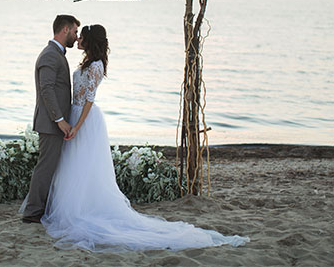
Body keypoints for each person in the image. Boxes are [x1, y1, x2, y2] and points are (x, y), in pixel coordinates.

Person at [39, 24, 250, 251]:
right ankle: (71, 206)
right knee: (72, 164)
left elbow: (90, 99)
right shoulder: (85, 63)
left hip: (85, 120)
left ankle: (82, 208)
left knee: (83, 165)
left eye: (82, 36)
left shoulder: (96, 66)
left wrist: (78, 127)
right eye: (76, 35)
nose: (78, 38)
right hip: (74, 114)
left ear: (90, 41)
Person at [22, 15, 80, 224]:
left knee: (49, 166)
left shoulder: (57, 54)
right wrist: (60, 120)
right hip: (50, 124)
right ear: (64, 30)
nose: (76, 36)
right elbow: (46, 89)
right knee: (45, 167)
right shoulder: (49, 55)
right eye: (74, 31)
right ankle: (32, 213)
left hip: (54, 123)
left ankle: (41, 208)